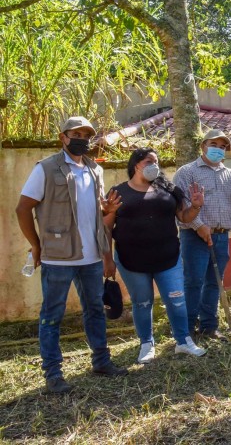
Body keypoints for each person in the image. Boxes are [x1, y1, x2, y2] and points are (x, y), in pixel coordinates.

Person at [15, 116, 128, 394]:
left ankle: (101, 361)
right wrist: (36, 244)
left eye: (85, 134)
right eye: (74, 133)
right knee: (52, 316)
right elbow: (22, 208)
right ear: (63, 137)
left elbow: (96, 214)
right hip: (58, 259)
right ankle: (53, 374)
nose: (81, 138)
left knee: (95, 312)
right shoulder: (46, 168)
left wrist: (106, 249)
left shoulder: (94, 170)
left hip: (90, 258)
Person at [103, 148, 207, 363]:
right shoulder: (118, 192)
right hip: (131, 260)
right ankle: (146, 344)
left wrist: (196, 206)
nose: (154, 165)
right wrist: (107, 258)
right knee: (142, 302)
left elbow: (185, 217)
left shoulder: (168, 190)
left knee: (176, 300)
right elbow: (106, 227)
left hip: (168, 257)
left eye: (156, 162)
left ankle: (183, 341)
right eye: (149, 161)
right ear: (136, 164)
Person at [173, 129, 231, 341]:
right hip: (194, 236)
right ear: (203, 146)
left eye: (223, 146)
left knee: (214, 282)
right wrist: (199, 226)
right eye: (214, 144)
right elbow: (180, 206)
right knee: (193, 281)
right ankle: (187, 329)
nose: (219, 149)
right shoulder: (186, 172)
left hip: (221, 235)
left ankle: (209, 326)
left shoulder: (230, 175)